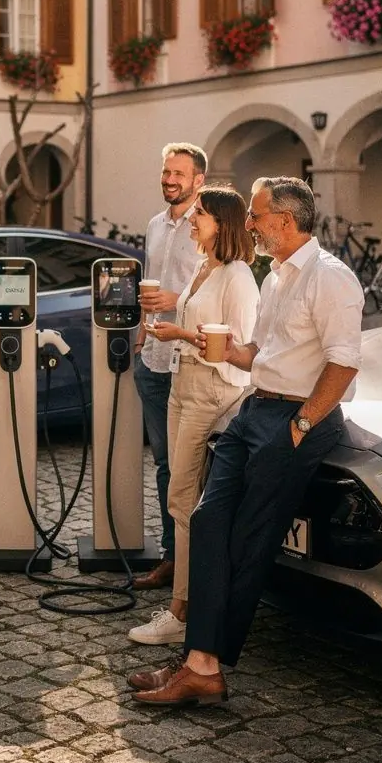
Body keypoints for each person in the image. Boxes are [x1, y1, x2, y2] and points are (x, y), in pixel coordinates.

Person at [130, 176, 364, 708]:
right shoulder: (278, 276)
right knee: (210, 520)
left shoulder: (331, 278)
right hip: (254, 409)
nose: (251, 225)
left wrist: (301, 426)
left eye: (257, 216)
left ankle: (202, 667)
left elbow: (344, 362)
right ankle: (198, 660)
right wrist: (222, 349)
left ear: (285, 220)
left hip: (294, 420)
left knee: (250, 539)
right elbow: (264, 351)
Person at [128, 188, 259, 646]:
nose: (191, 221)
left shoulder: (239, 276)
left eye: (199, 215)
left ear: (221, 223)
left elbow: (239, 351)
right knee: (180, 500)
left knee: (185, 501)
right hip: (183, 383)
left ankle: (182, 611)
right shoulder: (206, 267)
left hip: (210, 389)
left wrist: (181, 331)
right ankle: (187, 603)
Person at [132, 142, 207, 591]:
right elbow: (149, 284)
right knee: (164, 465)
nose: (169, 180)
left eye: (178, 173)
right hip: (153, 361)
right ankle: (171, 557)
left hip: (189, 361)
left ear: (199, 179)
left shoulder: (208, 225)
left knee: (191, 468)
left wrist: (176, 301)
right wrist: (143, 332)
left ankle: (196, 562)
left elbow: (216, 285)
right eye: (166, 172)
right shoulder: (155, 225)